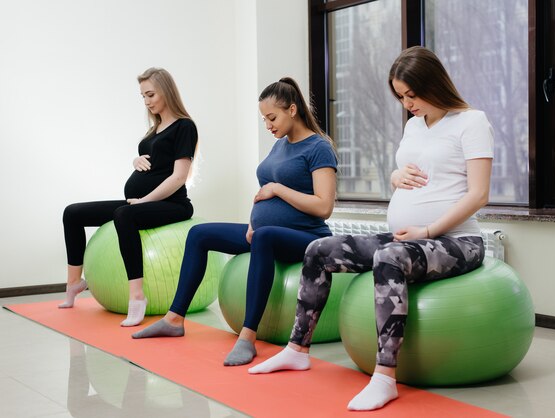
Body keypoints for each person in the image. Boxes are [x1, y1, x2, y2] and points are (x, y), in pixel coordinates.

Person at [247, 46, 494, 411]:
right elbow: (406, 176)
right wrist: (396, 175)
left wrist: (427, 231)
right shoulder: (414, 125)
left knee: (390, 256)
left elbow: (478, 195)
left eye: (412, 94)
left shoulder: (472, 122)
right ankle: (296, 350)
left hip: (458, 240)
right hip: (408, 236)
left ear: (435, 84)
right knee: (319, 250)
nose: (407, 103)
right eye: (400, 96)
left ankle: (384, 378)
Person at [131, 77, 338, 366]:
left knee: (264, 238)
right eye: (264, 119)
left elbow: (323, 206)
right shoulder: (280, 145)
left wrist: (277, 190)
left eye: (272, 118)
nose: (268, 126)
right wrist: (255, 221)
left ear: (292, 110)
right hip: (265, 231)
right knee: (199, 234)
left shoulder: (319, 147)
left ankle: (247, 338)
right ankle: (174, 319)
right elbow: (266, 193)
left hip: (308, 237)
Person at [61, 67, 198, 328]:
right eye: (143, 96)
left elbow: (179, 176)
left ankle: (137, 298)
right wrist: (135, 160)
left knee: (124, 215)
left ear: (166, 92)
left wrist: (145, 201)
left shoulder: (184, 126)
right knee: (72, 212)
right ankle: (73, 284)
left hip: (173, 204)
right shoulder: (155, 129)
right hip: (140, 201)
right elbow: (156, 163)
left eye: (150, 94)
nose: (147, 101)